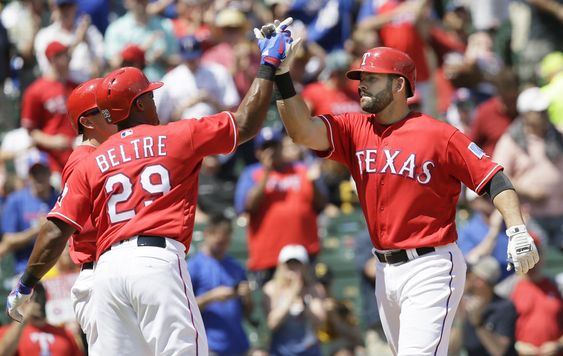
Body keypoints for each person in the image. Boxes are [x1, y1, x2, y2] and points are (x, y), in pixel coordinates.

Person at [7, 19, 294, 356]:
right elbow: (245, 122)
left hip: (108, 273)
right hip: (154, 261)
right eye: (149, 95)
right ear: (139, 104)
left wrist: (26, 283)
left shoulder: (95, 159)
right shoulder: (175, 134)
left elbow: (56, 229)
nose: (156, 100)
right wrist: (269, 64)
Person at [267, 26, 539, 354]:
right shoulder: (354, 128)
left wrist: (517, 230)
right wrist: (281, 75)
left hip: (431, 265)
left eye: (372, 77)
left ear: (399, 85)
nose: (361, 84)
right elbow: (301, 132)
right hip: (385, 269)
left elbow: (495, 179)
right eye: (360, 77)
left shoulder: (439, 134)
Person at [61, 78, 117, 348]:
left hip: (116, 270)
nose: (116, 113)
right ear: (88, 121)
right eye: (107, 110)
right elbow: (76, 224)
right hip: (98, 271)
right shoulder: (83, 159)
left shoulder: (108, 153)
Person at [234, 127, 326, 286]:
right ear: (257, 152)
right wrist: (267, 173)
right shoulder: (251, 173)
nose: (271, 151)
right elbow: (248, 206)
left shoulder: (301, 169)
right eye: (265, 148)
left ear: (281, 147)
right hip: (268, 256)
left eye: (274, 146)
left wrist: (313, 182)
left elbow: (321, 204)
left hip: (304, 252)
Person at [187, 214, 253, 356]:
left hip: (239, 345)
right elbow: (184, 309)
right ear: (207, 234)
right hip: (210, 346)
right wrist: (212, 297)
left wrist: (246, 298)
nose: (222, 246)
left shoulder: (235, 267)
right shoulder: (193, 266)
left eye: (226, 242)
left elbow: (248, 313)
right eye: (219, 242)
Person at [263, 244, 327, 356]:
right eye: (289, 263)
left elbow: (320, 321)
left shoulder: (315, 289)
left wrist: (304, 300)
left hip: (309, 351)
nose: (292, 267)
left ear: (305, 266)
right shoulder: (271, 288)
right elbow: (273, 323)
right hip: (280, 352)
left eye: (297, 263)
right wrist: (292, 294)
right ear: (281, 266)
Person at [449, 257, 518, 356]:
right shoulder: (462, 305)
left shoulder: (504, 308)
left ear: (480, 281)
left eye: (469, 276)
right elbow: (453, 349)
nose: (465, 279)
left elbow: (498, 351)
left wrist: (478, 323)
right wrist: (460, 319)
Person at [0, 282, 83, 356]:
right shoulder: (7, 332)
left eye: (40, 293)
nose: (37, 299)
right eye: (30, 296)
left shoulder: (66, 334)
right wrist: (24, 317)